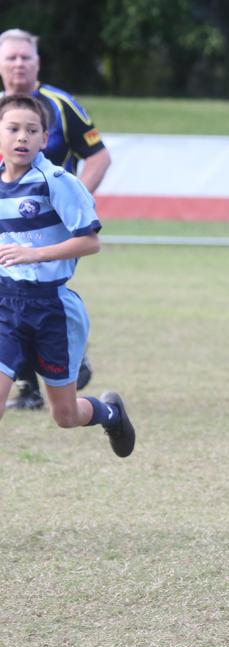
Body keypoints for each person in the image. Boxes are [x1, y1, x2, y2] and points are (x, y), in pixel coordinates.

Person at [0, 94, 134, 456]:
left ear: (45, 138)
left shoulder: (57, 180)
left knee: (65, 414)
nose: (22, 138)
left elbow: (90, 242)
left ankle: (110, 412)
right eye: (12, 129)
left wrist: (35, 254)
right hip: (5, 305)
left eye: (32, 130)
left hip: (52, 309)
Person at [0, 28, 112, 411]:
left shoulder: (61, 105)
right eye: (11, 57)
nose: (18, 64)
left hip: (53, 230)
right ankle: (30, 384)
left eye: (24, 57)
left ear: (37, 63)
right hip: (9, 228)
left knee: (40, 291)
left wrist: (75, 207)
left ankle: (64, 357)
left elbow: (98, 156)